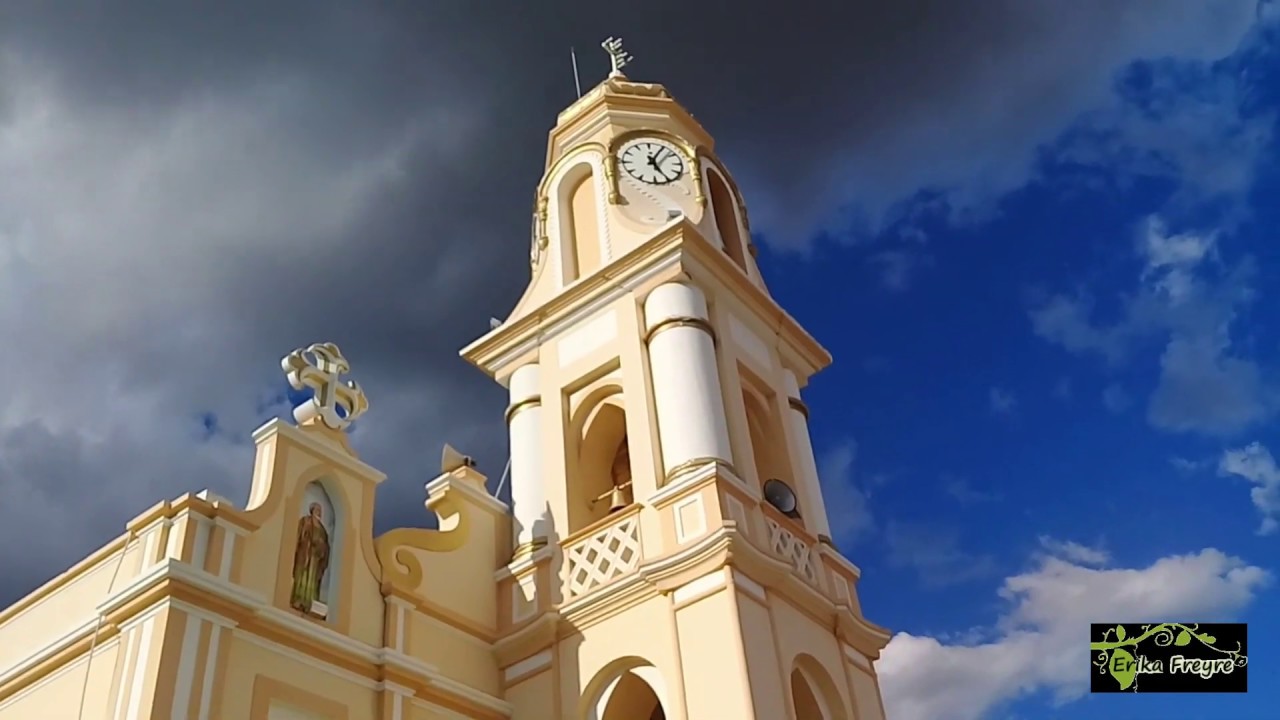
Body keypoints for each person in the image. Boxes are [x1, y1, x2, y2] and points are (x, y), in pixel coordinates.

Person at [290, 501, 331, 615]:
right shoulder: (305, 522)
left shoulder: (322, 530)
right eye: (317, 510)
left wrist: (320, 548)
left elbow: (326, 547)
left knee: (312, 583)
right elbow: (299, 536)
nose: (319, 513)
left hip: (315, 560)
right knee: (302, 578)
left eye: (320, 511)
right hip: (305, 557)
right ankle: (298, 600)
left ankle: (309, 604)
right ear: (312, 510)